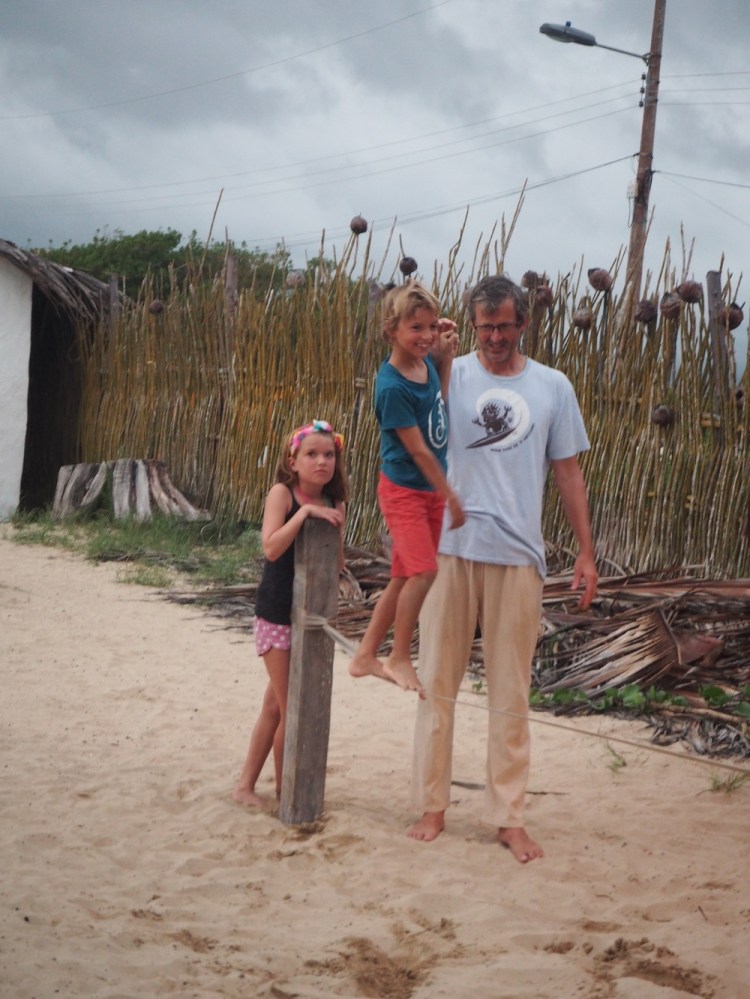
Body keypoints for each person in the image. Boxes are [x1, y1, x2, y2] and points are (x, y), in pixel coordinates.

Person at [407, 274, 598, 862]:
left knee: (511, 692)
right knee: (437, 681)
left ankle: (508, 817)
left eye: (505, 326)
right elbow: (418, 424)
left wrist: (586, 553)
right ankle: (432, 805)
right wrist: (436, 358)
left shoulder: (552, 386)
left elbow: (567, 471)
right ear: (472, 324)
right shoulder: (449, 372)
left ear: (524, 324)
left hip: (518, 556)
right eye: (485, 326)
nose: (494, 337)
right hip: (450, 550)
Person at [349, 281, 466, 696]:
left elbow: (438, 408)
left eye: (432, 327)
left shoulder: (426, 364)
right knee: (423, 571)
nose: (426, 336)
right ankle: (398, 655)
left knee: (402, 578)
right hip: (405, 492)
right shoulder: (391, 387)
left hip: (429, 492)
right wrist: (449, 493)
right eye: (415, 328)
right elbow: (418, 450)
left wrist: (444, 357)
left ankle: (364, 655)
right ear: (390, 330)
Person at [233, 419, 349, 807]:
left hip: (310, 617)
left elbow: (335, 564)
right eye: (311, 454)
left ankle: (245, 787)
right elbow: (270, 548)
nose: (321, 462)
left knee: (275, 706)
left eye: (328, 454)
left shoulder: (336, 504)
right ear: (293, 460)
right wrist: (303, 516)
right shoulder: (283, 495)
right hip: (276, 615)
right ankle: (288, 794)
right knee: (291, 708)